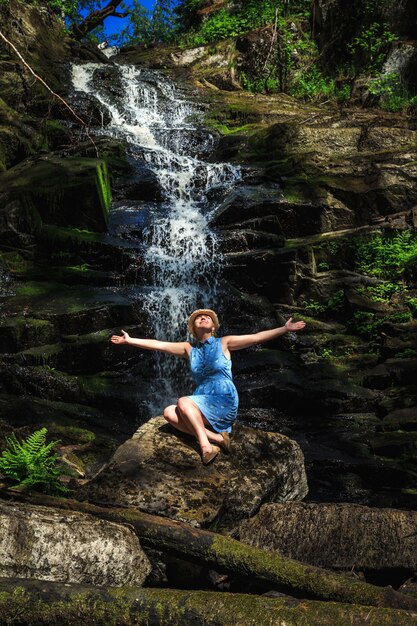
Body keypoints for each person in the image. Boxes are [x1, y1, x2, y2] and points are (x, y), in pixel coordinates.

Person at [111, 309, 306, 465]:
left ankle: (205, 447)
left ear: (213, 327)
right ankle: (219, 439)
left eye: (207, 317)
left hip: (223, 398)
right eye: (199, 318)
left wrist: (284, 329)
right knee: (169, 413)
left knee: (182, 401)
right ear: (194, 329)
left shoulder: (225, 342)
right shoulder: (189, 350)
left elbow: (256, 337)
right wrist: (130, 340)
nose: (203, 318)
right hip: (200, 400)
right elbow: (158, 344)